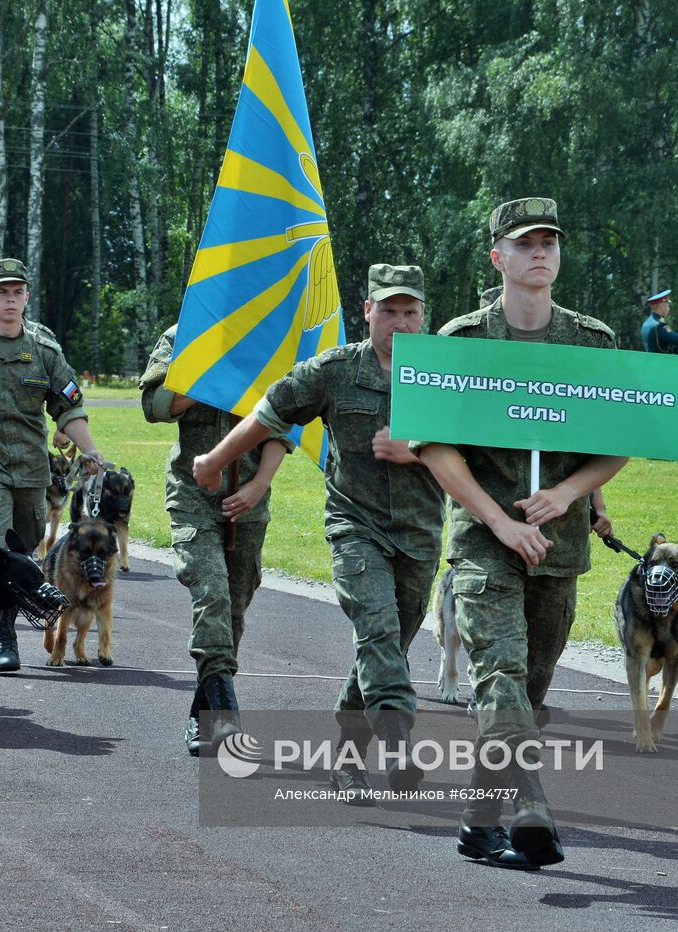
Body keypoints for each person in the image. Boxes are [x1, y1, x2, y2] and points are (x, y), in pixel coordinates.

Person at [412, 198, 628, 870]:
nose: (540, 253)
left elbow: (620, 440)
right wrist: (500, 520)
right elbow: (434, 446)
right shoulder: (461, 342)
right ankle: (529, 801)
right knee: (498, 675)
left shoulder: (592, 342)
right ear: (497, 256)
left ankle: (480, 820)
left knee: (528, 690)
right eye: (525, 242)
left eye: (550, 242)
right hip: (483, 538)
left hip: (558, 546)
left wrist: (568, 494)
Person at [193, 263, 445, 796]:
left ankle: (349, 757)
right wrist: (215, 459)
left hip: (420, 534)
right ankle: (398, 737)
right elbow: (270, 413)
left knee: (388, 647)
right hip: (356, 527)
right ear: (368, 311)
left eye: (410, 312)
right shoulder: (334, 370)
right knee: (376, 631)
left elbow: (482, 447)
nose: (399, 323)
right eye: (389, 311)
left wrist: (416, 450)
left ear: (424, 315)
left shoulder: (448, 374)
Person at [0, 258, 104, 673]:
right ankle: (2, 638)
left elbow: (68, 407)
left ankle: (2, 625)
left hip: (32, 471)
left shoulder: (44, 351)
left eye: (17, 292)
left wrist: (89, 450)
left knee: (23, 552)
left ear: (27, 298)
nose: (10, 299)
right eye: (1, 292)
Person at [139, 324, 289, 754]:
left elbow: (285, 422)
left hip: (248, 499)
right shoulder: (183, 335)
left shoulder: (269, 328)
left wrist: (260, 484)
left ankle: (202, 713)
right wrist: (209, 375)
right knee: (212, 593)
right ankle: (225, 713)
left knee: (235, 606)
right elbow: (155, 405)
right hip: (193, 493)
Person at [639, 289, 678, 354]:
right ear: (661, 307)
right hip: (660, 362)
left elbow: (662, 347)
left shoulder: (647, 323)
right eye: (667, 305)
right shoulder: (659, 326)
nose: (669, 308)